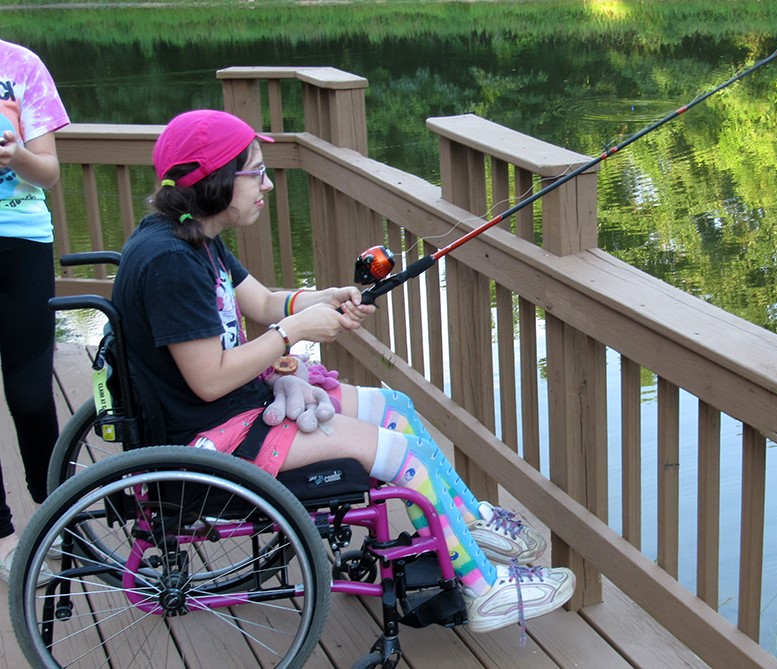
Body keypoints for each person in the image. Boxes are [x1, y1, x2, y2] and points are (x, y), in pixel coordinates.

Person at [111, 109, 573, 634]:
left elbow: (262, 301)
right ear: (216, 181)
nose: (266, 184)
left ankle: (470, 525)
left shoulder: (196, 235)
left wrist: (322, 299)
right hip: (211, 440)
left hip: (233, 413)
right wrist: (293, 333)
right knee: (402, 458)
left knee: (396, 409)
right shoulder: (170, 261)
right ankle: (483, 590)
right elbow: (210, 379)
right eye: (255, 172)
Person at [0, 39, 70, 587]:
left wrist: (13, 154)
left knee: (29, 395)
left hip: (20, 245)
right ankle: (3, 535)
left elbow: (47, 174)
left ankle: (54, 524)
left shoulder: (21, 65)